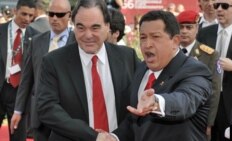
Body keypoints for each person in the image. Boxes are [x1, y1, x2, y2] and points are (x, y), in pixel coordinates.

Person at [97, 10, 213, 141]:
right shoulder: (141, 69)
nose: (147, 44)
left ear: (175, 41)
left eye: (155, 37)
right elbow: (136, 118)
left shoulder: (195, 70)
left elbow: (185, 101)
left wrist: (157, 102)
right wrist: (114, 136)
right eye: (143, 37)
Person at [36, 0, 139, 140]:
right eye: (81, 27)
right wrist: (94, 137)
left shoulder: (127, 57)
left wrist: (115, 137)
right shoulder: (54, 61)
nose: (88, 35)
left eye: (95, 28)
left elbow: (138, 103)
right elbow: (47, 108)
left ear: (107, 26)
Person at [10, 0, 75, 140]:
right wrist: (18, 110)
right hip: (40, 115)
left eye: (60, 14)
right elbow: (27, 78)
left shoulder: (78, 41)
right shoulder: (37, 41)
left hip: (69, 114)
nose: (55, 18)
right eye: (51, 14)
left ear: (69, 15)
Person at [196, 0, 232, 140]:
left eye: (224, 6)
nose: (219, 9)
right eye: (216, 6)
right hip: (207, 102)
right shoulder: (204, 34)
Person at [177, 10, 221, 141]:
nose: (184, 31)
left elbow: (214, 90)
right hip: (172, 116)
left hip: (198, 117)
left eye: (189, 27)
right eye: (181, 27)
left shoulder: (210, 55)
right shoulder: (169, 53)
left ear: (197, 28)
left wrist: (209, 122)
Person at [0, 0, 39, 140]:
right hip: (2, 85)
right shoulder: (1, 30)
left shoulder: (37, 36)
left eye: (31, 15)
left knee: (18, 136)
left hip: (21, 94)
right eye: (24, 14)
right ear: (15, 11)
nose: (27, 19)